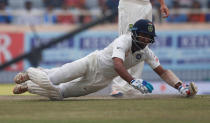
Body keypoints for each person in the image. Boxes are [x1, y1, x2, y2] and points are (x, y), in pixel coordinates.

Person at [12, 19, 197, 100]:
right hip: (91, 63)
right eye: (143, 36)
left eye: (149, 38)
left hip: (99, 81)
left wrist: (180, 86)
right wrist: (133, 81)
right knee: (53, 79)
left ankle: (30, 86)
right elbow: (118, 64)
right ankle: (30, 73)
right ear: (135, 34)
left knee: (58, 94)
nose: (146, 40)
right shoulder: (123, 40)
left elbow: (163, 72)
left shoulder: (146, 52)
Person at [111, 0, 170, 97]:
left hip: (146, 4)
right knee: (127, 40)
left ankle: (133, 87)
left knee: (142, 44)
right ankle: (118, 87)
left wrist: (162, 3)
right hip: (130, 4)